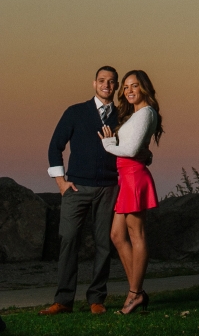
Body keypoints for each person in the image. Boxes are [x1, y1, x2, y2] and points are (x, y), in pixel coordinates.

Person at [41, 66, 121, 316]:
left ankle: (96, 299)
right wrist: (61, 182)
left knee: (103, 245)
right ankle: (64, 300)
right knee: (67, 239)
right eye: (101, 80)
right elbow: (55, 146)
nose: (106, 85)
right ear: (94, 83)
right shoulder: (75, 112)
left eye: (111, 81)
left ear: (116, 86)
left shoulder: (122, 116)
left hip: (108, 188)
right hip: (76, 187)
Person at [100, 69, 162, 315]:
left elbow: (132, 148)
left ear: (144, 87)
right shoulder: (135, 115)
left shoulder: (146, 113)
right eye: (125, 87)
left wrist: (108, 144)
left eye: (134, 85)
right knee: (117, 235)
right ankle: (136, 291)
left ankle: (135, 295)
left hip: (134, 177)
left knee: (137, 235)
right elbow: (135, 147)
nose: (128, 91)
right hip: (126, 177)